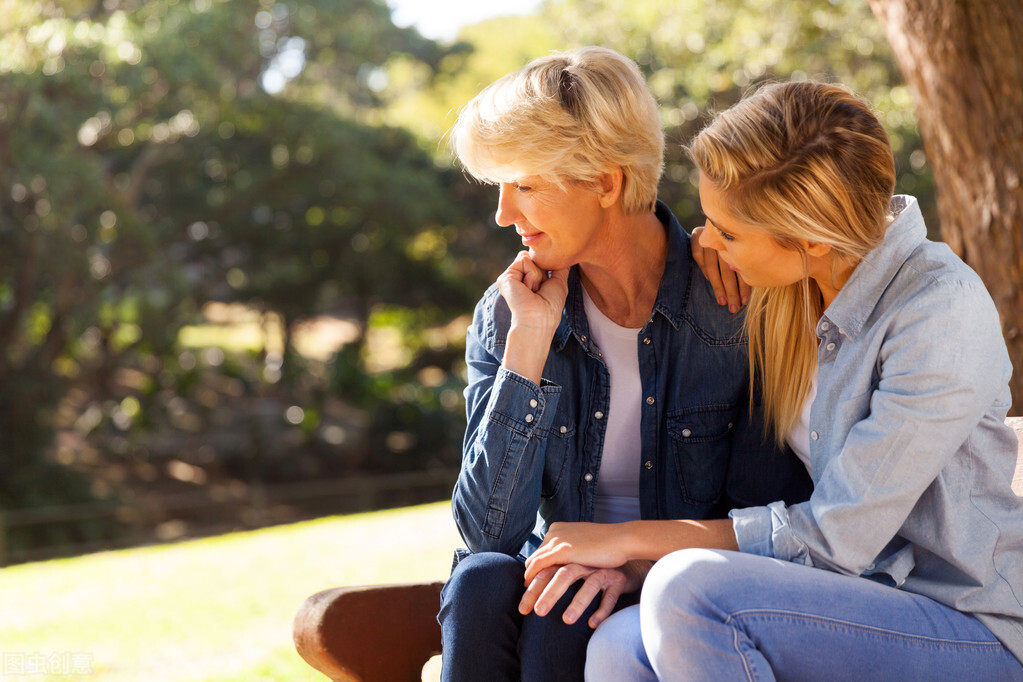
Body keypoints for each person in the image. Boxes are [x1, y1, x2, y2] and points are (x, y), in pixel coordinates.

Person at [520, 81, 1023, 680]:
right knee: (619, 645)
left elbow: (838, 536)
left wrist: (632, 540)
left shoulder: (939, 310)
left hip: (968, 623)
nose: (705, 243)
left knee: (689, 589)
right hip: (846, 604)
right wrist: (631, 565)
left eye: (727, 232)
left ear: (811, 236)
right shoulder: (796, 286)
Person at [437, 48, 812, 681]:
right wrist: (528, 343)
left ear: (607, 183)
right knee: (479, 584)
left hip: (686, 585)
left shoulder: (735, 302)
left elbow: (763, 519)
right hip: (554, 575)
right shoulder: (507, 314)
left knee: (565, 616)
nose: (503, 214)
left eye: (524, 184)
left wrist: (630, 561)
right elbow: (486, 535)